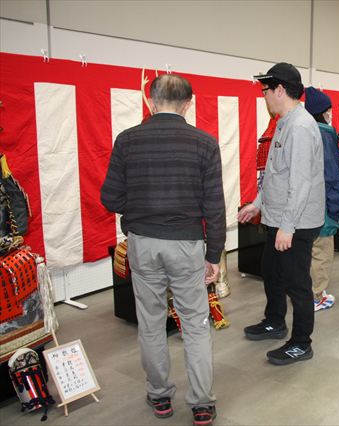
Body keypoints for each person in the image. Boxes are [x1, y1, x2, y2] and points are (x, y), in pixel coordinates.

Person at [101, 74, 224, 426]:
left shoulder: (127, 140)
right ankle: (201, 404)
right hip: (186, 244)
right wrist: (214, 255)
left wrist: (140, 208)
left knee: (151, 323)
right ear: (188, 104)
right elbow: (214, 206)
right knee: (195, 324)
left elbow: (110, 198)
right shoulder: (204, 143)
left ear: (151, 101)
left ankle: (159, 396)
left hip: (143, 242)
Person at [238, 63, 324, 365]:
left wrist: (288, 227)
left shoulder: (300, 127)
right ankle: (275, 321)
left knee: (296, 283)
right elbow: (276, 175)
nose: (263, 96)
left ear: (279, 90)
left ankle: (301, 343)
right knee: (272, 272)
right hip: (278, 217)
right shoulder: (284, 122)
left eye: (265, 90)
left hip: (295, 222)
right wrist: (257, 204)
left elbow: (300, 183)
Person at [303, 86, 339, 312]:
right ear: (323, 111)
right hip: (322, 204)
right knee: (321, 251)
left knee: (306, 251)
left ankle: (304, 292)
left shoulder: (300, 129)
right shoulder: (326, 133)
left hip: (302, 204)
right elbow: (331, 174)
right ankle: (316, 295)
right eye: (329, 110)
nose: (331, 114)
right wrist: (337, 207)